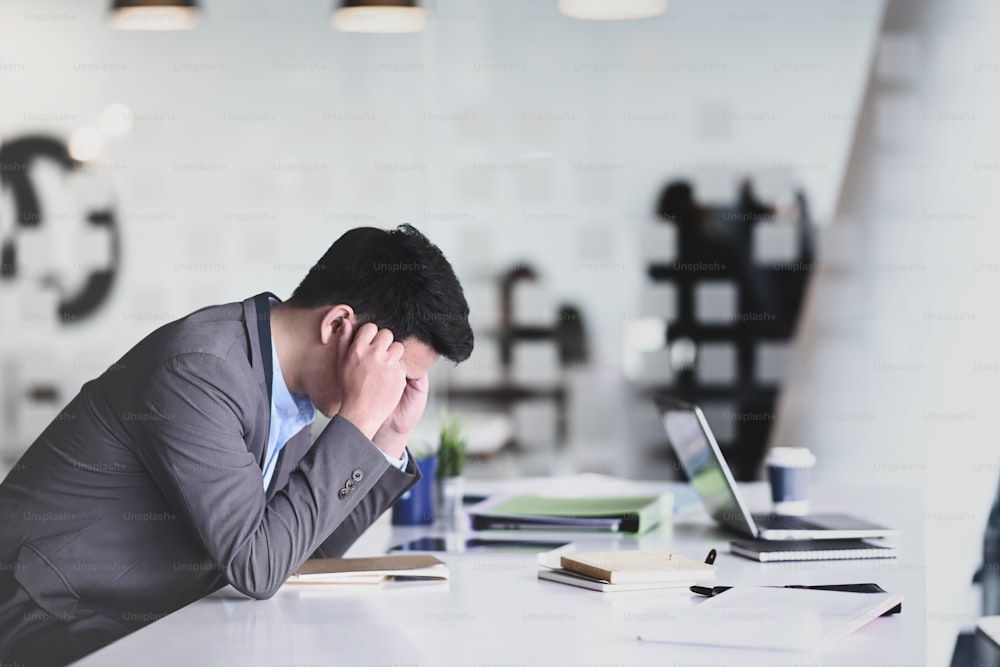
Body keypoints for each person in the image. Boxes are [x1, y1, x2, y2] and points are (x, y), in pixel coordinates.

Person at [0, 224, 473, 665]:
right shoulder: (200, 371)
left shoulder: (289, 388)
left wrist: (386, 434)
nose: (393, 389)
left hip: (143, 618)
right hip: (47, 614)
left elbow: (303, 554)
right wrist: (358, 420)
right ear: (338, 327)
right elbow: (258, 567)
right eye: (396, 372)